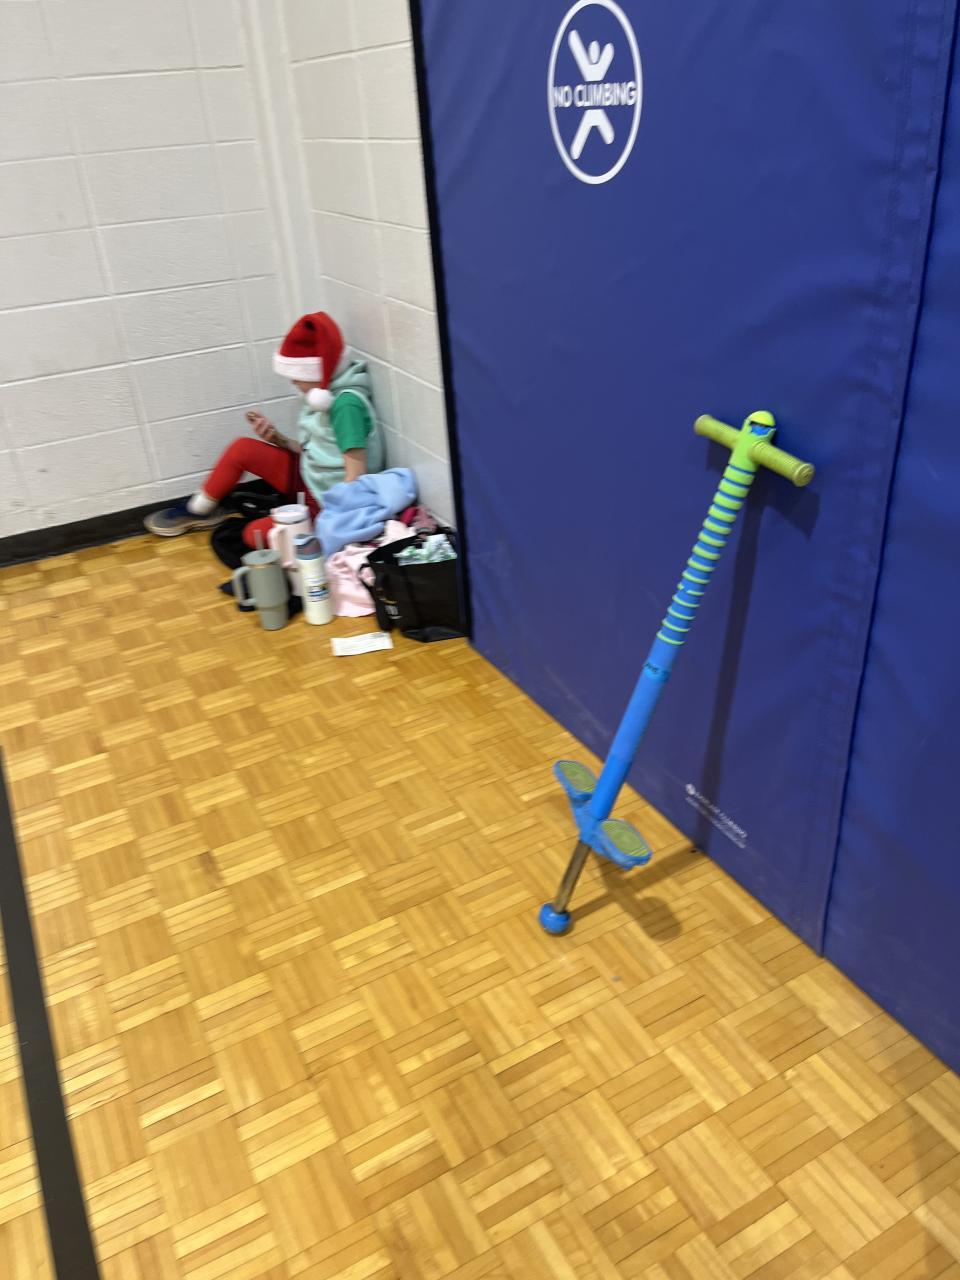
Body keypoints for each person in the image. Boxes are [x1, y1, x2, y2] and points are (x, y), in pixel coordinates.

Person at [144, 312, 384, 547]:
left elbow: (355, 478)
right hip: (310, 478)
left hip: (327, 503)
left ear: (317, 372)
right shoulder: (324, 395)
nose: (293, 382)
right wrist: (277, 438)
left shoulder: (346, 406)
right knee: (242, 449)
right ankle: (198, 509)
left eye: (297, 376)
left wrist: (326, 524)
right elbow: (317, 451)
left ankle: (295, 519)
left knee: (253, 535)